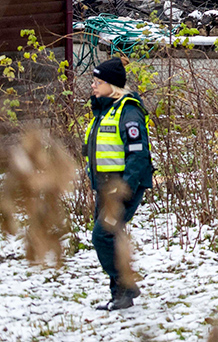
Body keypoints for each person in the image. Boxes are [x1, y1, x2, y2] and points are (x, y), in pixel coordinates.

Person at [84, 57, 153, 311]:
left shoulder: (129, 112)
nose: (92, 86)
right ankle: (120, 296)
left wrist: (125, 188)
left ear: (111, 85)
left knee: (102, 235)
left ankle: (127, 284)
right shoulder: (103, 110)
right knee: (112, 237)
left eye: (97, 82)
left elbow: (138, 155)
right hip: (104, 185)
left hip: (122, 186)